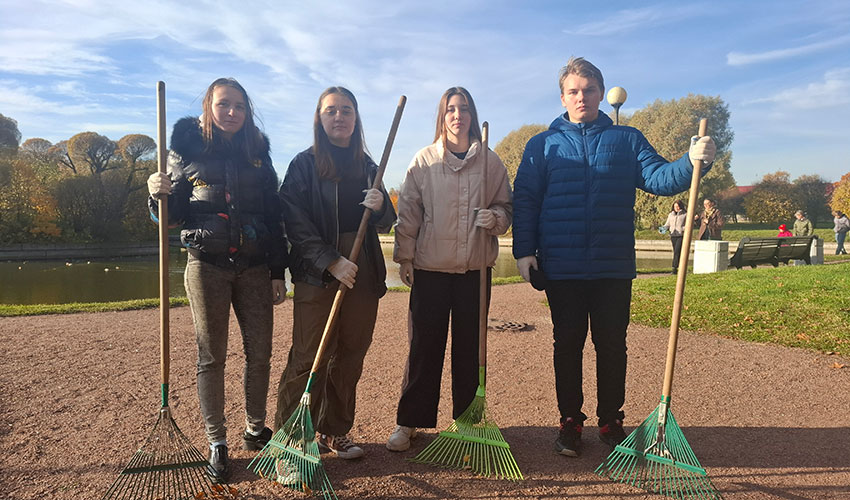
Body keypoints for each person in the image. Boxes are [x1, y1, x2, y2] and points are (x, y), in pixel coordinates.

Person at [512, 57, 715, 458]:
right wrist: (523, 251)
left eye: (589, 90)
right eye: (574, 91)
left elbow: (659, 178)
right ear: (562, 97)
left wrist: (695, 160)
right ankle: (570, 420)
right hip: (562, 265)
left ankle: (610, 419)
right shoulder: (543, 144)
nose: (582, 97)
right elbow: (526, 200)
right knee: (566, 346)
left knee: (612, 346)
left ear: (601, 94)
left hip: (612, 265)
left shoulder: (627, 139)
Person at [146, 78, 288, 482]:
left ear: (247, 112)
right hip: (206, 265)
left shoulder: (258, 152)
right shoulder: (184, 150)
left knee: (260, 353)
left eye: (239, 106)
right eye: (224, 104)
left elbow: (274, 216)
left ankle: (255, 429)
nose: (232, 112)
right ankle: (217, 441)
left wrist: (278, 271)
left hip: (256, 267)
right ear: (209, 107)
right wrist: (156, 194)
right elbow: (170, 218)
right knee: (212, 356)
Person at [387, 87, 513, 452]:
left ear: (472, 115)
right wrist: (405, 258)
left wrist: (496, 218)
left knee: (470, 350)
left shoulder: (491, 162)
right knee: (423, 348)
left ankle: (467, 421)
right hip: (430, 268)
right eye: (451, 109)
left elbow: (506, 208)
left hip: (475, 271)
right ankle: (410, 420)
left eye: (464, 109)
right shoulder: (424, 160)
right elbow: (409, 213)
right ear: (442, 117)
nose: (458, 115)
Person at [274, 87, 396, 460]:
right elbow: (294, 222)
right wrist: (331, 260)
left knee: (351, 353)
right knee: (309, 354)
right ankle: (293, 437)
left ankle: (335, 430)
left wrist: (381, 206)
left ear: (355, 118)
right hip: (317, 272)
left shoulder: (369, 166)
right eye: (331, 110)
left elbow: (387, 222)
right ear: (320, 118)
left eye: (346, 110)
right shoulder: (302, 165)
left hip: (363, 271)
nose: (339, 116)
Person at [661, 200, 687, 274]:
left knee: (677, 251)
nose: (677, 208)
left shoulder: (685, 214)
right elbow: (667, 224)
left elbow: (688, 225)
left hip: (680, 236)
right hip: (673, 235)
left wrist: (683, 229)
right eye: (675, 206)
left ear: (681, 206)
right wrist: (663, 229)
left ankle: (674, 268)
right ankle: (679, 267)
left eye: (678, 206)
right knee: (676, 251)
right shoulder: (671, 215)